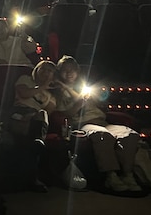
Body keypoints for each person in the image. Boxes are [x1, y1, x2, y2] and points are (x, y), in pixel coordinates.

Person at [53, 55, 142, 193]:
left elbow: (101, 103)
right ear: (59, 72)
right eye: (65, 70)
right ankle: (110, 176)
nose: (69, 73)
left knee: (129, 135)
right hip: (84, 123)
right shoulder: (58, 91)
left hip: (102, 121)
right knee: (102, 135)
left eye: (72, 70)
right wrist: (78, 104)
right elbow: (63, 114)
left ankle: (128, 175)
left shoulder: (83, 87)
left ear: (77, 72)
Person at [7, 60, 58, 192]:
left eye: (50, 71)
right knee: (31, 130)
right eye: (43, 69)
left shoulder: (51, 96)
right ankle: (35, 175)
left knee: (41, 115)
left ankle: (38, 143)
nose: (46, 73)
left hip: (35, 119)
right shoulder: (25, 79)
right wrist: (42, 87)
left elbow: (49, 112)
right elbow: (24, 93)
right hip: (19, 112)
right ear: (36, 70)